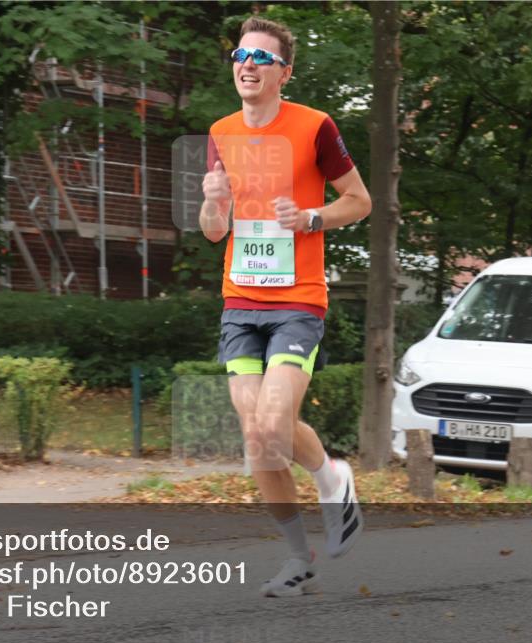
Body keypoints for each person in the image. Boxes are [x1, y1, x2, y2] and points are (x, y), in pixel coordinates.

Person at [200, 16, 373, 597]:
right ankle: (298, 559)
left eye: (261, 58)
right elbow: (212, 233)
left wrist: (312, 218)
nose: (246, 64)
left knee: (274, 422)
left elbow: (360, 201)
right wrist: (213, 205)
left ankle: (333, 480)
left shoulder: (315, 127)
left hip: (298, 300)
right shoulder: (220, 131)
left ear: (285, 73)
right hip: (239, 302)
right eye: (239, 54)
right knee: (258, 441)